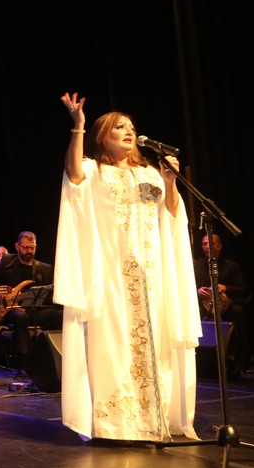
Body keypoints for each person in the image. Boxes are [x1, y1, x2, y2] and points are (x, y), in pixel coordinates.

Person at [54, 93, 200, 442]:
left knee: (156, 342)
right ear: (103, 135)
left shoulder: (149, 172)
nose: (129, 131)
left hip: (153, 275)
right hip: (114, 275)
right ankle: (120, 423)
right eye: (119, 127)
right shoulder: (95, 170)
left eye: (131, 127)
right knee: (116, 345)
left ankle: (156, 420)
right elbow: (73, 176)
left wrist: (170, 182)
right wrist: (78, 126)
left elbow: (171, 214)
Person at [0, 231, 62, 365]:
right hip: (10, 309)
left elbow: (49, 295)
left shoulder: (44, 268)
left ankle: (53, 358)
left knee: (59, 315)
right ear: (17, 246)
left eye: (32, 248)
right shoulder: (6, 261)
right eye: (25, 247)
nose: (29, 251)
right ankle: (26, 362)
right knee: (20, 317)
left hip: (34, 310)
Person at [193, 233, 251, 374]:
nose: (207, 247)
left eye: (210, 243)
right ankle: (200, 359)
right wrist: (198, 291)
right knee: (193, 314)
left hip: (225, 307)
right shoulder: (196, 266)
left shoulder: (231, 266)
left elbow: (243, 288)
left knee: (238, 311)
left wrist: (225, 288)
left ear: (219, 246)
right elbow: (185, 287)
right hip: (204, 307)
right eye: (204, 244)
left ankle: (241, 354)